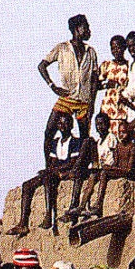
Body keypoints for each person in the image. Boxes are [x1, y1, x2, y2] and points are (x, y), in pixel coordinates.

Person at [7, 112, 84, 235]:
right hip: (54, 172)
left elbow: (73, 162)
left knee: (48, 178)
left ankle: (49, 215)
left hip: (65, 173)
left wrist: (53, 170)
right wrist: (51, 169)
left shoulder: (75, 142)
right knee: (27, 185)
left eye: (65, 123)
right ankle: (23, 223)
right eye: (59, 123)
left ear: (71, 125)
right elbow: (53, 161)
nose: (62, 125)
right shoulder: (55, 142)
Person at [39, 15, 98, 162]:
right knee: (49, 132)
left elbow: (94, 80)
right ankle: (49, 167)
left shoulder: (91, 52)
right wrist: (52, 86)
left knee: (84, 137)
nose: (88, 31)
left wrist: (91, 104)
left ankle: (81, 167)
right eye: (86, 27)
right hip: (66, 99)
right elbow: (42, 66)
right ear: (77, 29)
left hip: (83, 100)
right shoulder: (62, 48)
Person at [97, 35, 129, 134]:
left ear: (124, 48)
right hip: (107, 106)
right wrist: (106, 85)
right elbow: (96, 84)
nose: (115, 51)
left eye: (118, 47)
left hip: (121, 106)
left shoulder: (128, 66)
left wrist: (118, 86)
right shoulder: (106, 65)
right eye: (113, 48)